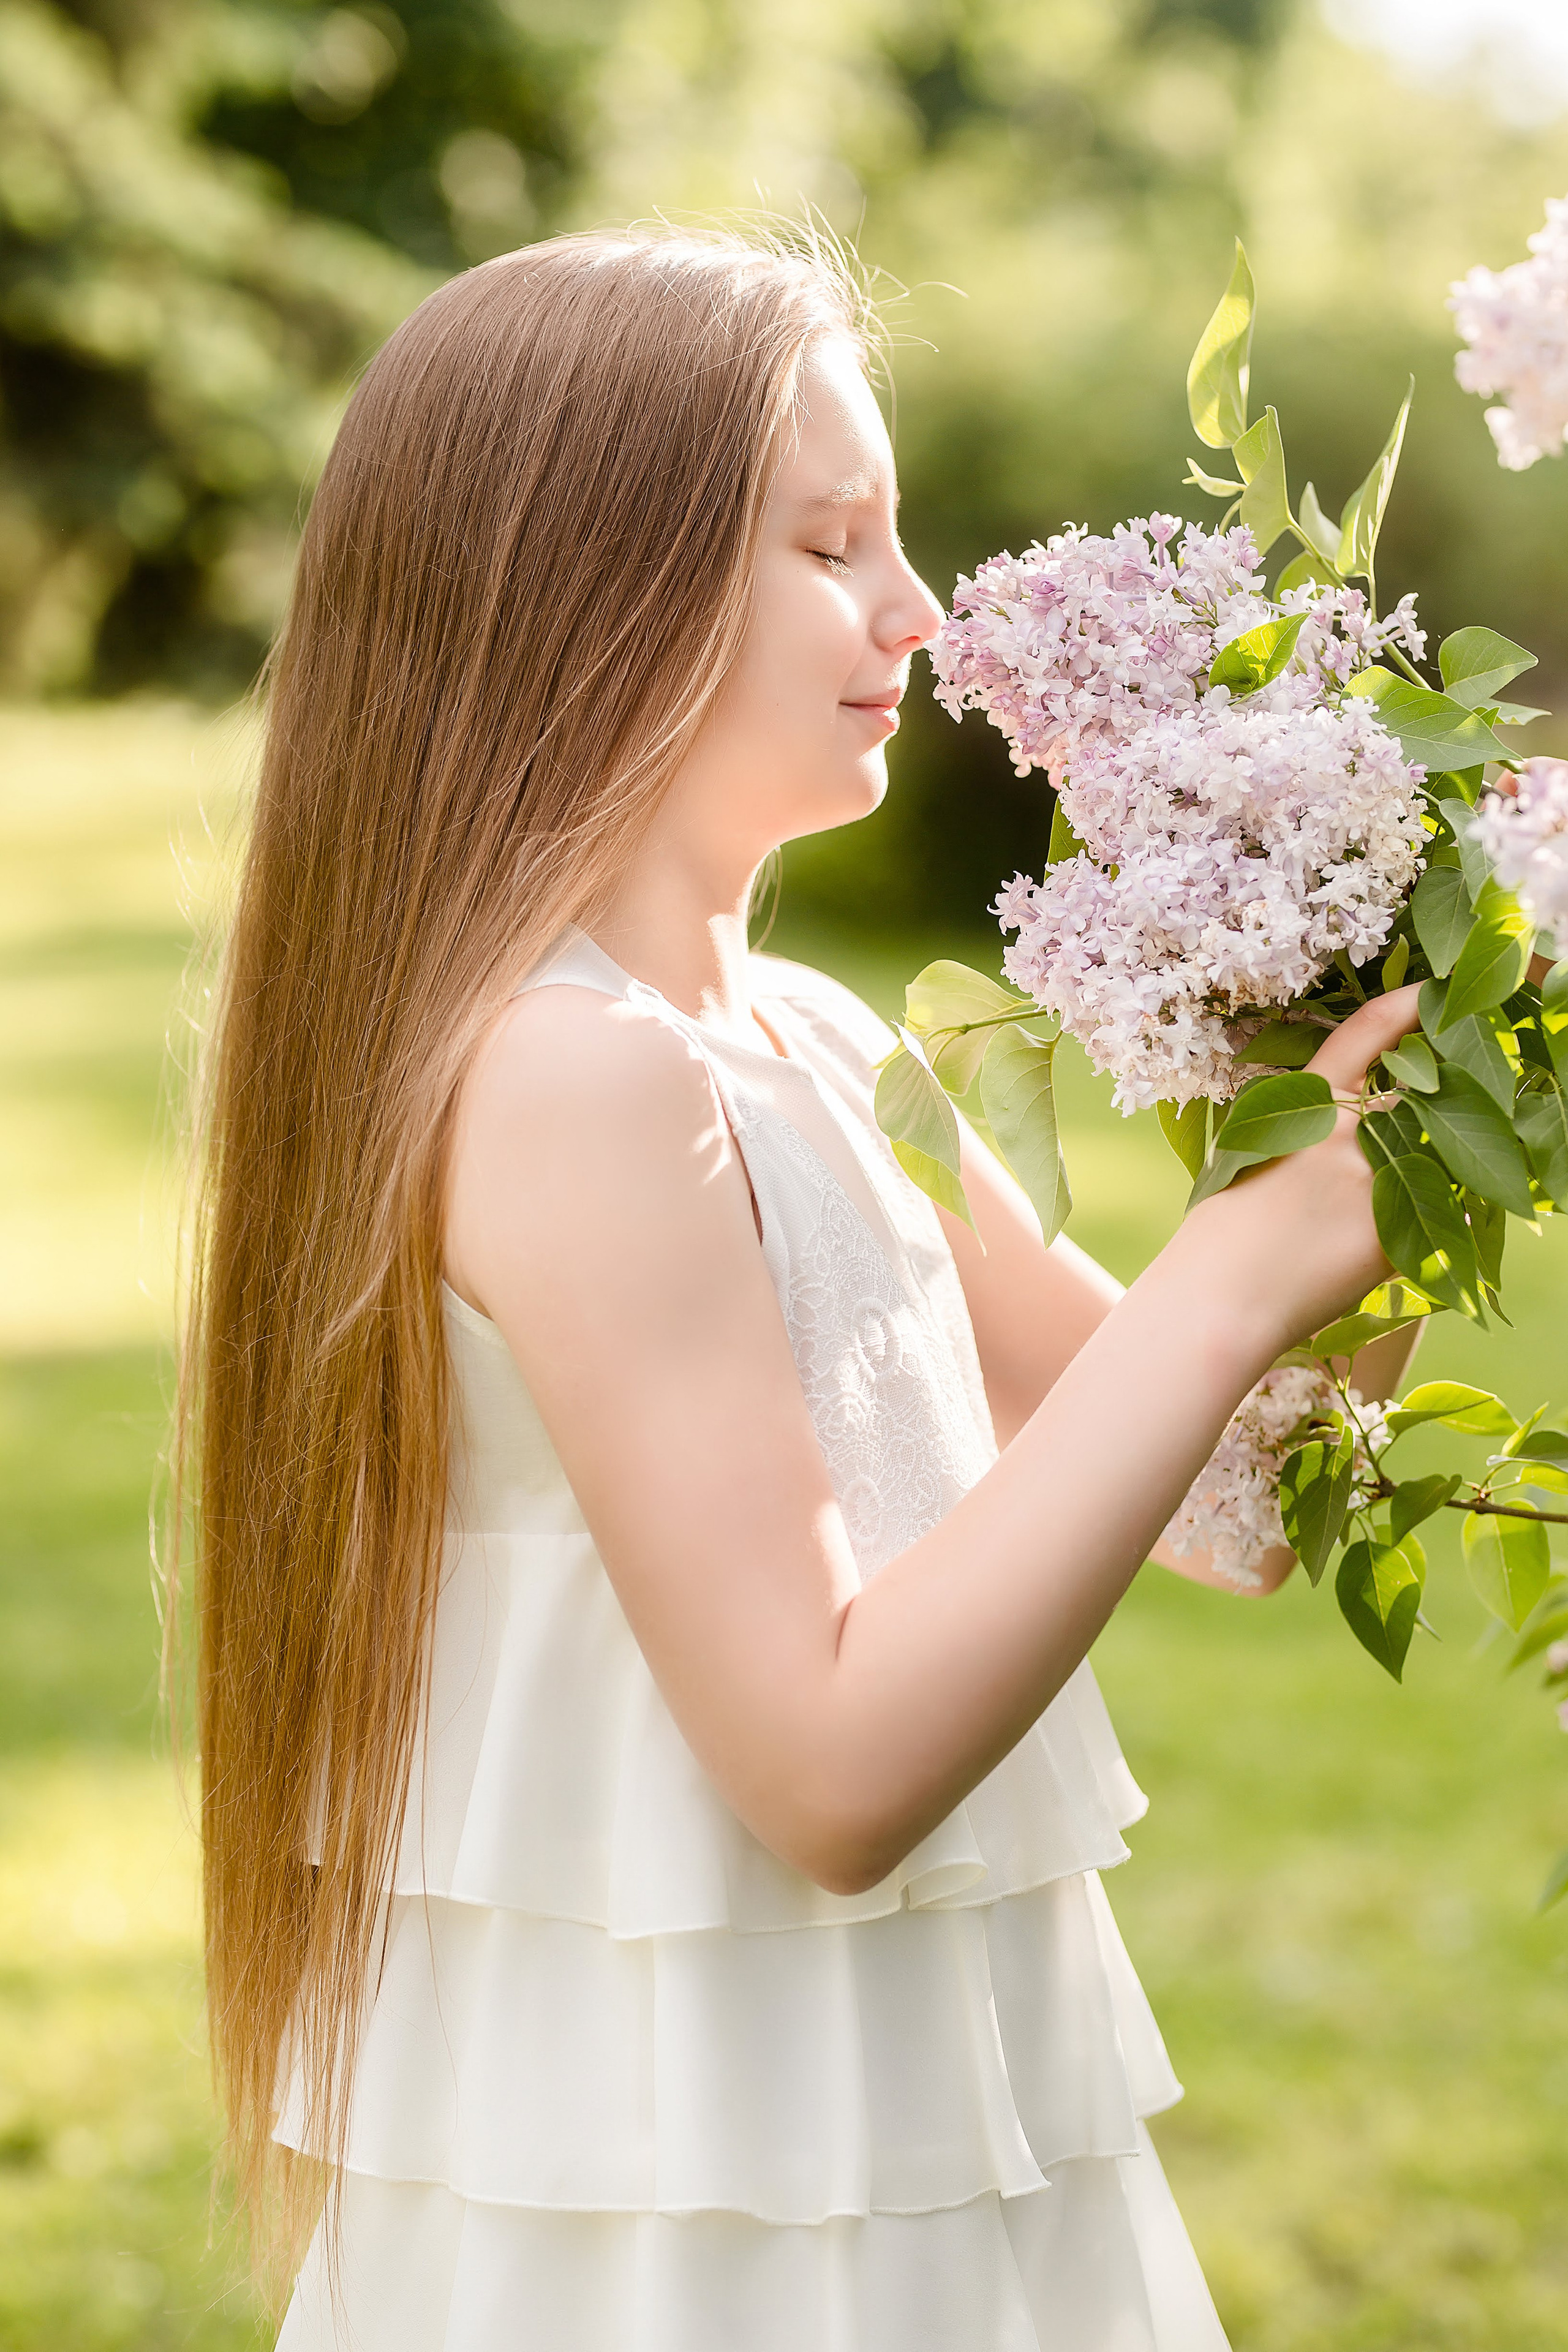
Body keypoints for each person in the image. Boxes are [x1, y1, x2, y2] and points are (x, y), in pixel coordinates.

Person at [178, 224, 1422, 2351]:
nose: (918, 612)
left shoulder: (819, 1044)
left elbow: (1246, 1496)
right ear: (589, 594)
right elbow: (830, 1772)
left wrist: (1355, 1120)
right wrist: (1228, 1279)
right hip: (703, 2193)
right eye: (834, 545)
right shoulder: (576, 1081)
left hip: (902, 2121)